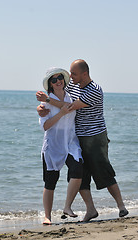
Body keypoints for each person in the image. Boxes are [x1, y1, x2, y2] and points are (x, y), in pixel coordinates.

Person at [36, 59, 129, 222]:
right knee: (81, 175)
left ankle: (121, 206)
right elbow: (56, 93)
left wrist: (48, 101)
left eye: (73, 74)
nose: (69, 77)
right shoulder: (73, 85)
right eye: (69, 74)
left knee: (103, 170)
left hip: (94, 137)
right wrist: (41, 107)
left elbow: (69, 107)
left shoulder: (94, 90)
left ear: (84, 74)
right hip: (77, 137)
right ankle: (91, 210)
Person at [39, 67, 83, 225]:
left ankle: (67, 207)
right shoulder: (45, 103)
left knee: (77, 170)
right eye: (54, 79)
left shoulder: (71, 97)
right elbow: (45, 126)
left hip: (70, 142)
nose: (58, 81)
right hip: (53, 144)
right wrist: (60, 113)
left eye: (60, 78)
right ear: (50, 84)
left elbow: (70, 107)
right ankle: (47, 216)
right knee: (50, 182)